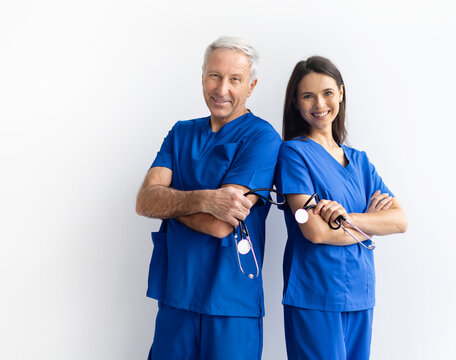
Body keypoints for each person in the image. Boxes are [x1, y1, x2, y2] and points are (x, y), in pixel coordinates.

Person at [136, 36, 282, 360]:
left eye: (235, 79)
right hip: (176, 297)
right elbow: (144, 201)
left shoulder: (262, 138)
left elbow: (220, 225)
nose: (222, 89)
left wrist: (169, 203)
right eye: (215, 75)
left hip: (232, 304)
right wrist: (204, 198)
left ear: (251, 85)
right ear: (203, 76)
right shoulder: (181, 132)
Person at [275, 56, 408, 359]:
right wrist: (371, 224)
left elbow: (400, 221)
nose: (319, 103)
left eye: (327, 93)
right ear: (295, 102)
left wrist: (346, 219)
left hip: (361, 293)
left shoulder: (360, 161)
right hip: (314, 294)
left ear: (341, 93)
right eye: (307, 95)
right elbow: (315, 232)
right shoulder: (294, 154)